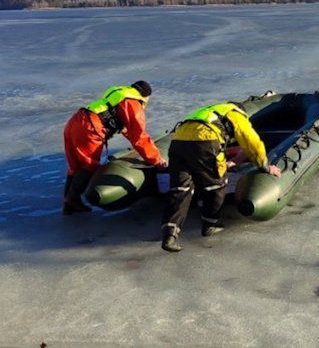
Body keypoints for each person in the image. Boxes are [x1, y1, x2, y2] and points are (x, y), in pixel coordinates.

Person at [161, 101, 281, 252]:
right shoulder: (235, 114)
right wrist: (264, 165)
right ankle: (210, 224)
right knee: (216, 184)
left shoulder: (209, 111)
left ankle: (169, 235)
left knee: (180, 188)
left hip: (178, 143)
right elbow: (251, 142)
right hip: (205, 141)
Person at [62, 81, 166, 215]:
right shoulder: (133, 103)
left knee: (75, 166)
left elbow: (126, 129)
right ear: (145, 96)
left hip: (75, 121)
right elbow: (139, 137)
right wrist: (156, 160)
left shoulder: (118, 94)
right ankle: (71, 201)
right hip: (90, 129)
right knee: (88, 166)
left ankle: (69, 201)